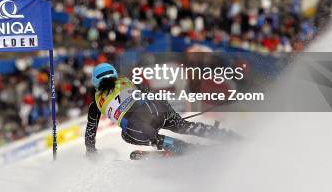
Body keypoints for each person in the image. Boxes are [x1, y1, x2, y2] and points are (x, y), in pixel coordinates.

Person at [85, 63, 237, 156]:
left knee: (127, 135)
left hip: (138, 126)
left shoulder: (96, 104)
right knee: (183, 126)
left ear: (95, 82)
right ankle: (223, 135)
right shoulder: (125, 80)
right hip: (157, 108)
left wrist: (91, 151)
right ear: (114, 74)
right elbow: (149, 92)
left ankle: (181, 148)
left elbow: (90, 131)